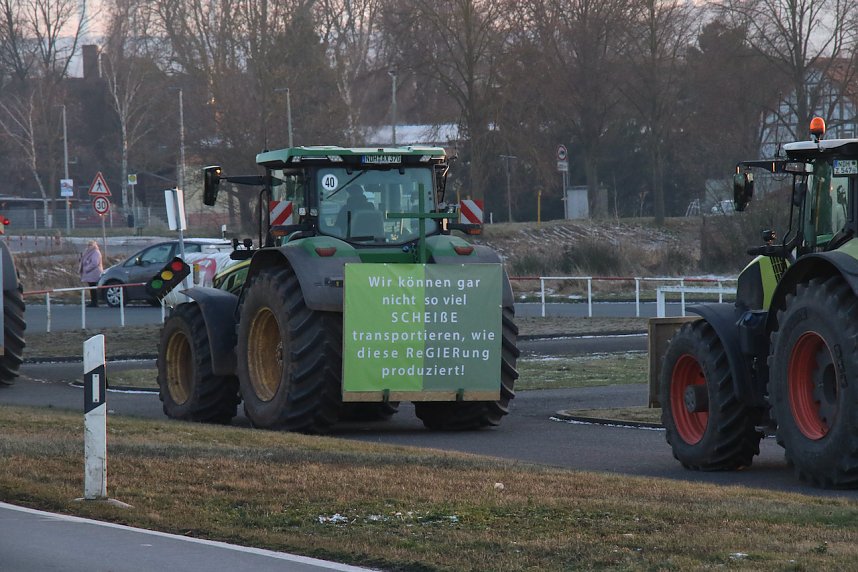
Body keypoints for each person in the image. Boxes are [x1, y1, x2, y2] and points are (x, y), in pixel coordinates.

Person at [79, 240, 103, 307]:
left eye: (90, 245)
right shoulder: (89, 252)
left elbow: (94, 263)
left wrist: (87, 268)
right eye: (88, 245)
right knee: (92, 287)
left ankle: (95, 302)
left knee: (93, 287)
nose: (89, 246)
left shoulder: (96, 252)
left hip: (94, 273)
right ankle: (93, 301)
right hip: (90, 273)